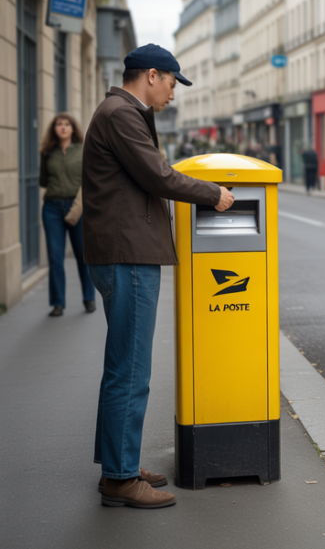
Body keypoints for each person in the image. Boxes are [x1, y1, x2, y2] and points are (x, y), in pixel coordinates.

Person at [83, 44, 236, 508]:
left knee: (125, 366)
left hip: (125, 251)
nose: (174, 91)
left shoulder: (121, 112)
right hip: (126, 255)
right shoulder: (121, 114)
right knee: (130, 370)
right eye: (172, 81)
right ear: (152, 75)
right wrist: (214, 195)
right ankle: (120, 478)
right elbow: (159, 176)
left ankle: (119, 463)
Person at [38, 112, 95, 316]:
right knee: (55, 258)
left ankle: (89, 298)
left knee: (83, 255)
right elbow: (43, 181)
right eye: (59, 124)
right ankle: (57, 303)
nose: (63, 127)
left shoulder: (82, 150)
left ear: (73, 129)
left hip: (77, 207)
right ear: (54, 129)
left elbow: (89, 178)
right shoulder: (47, 152)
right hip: (52, 208)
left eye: (67, 124)